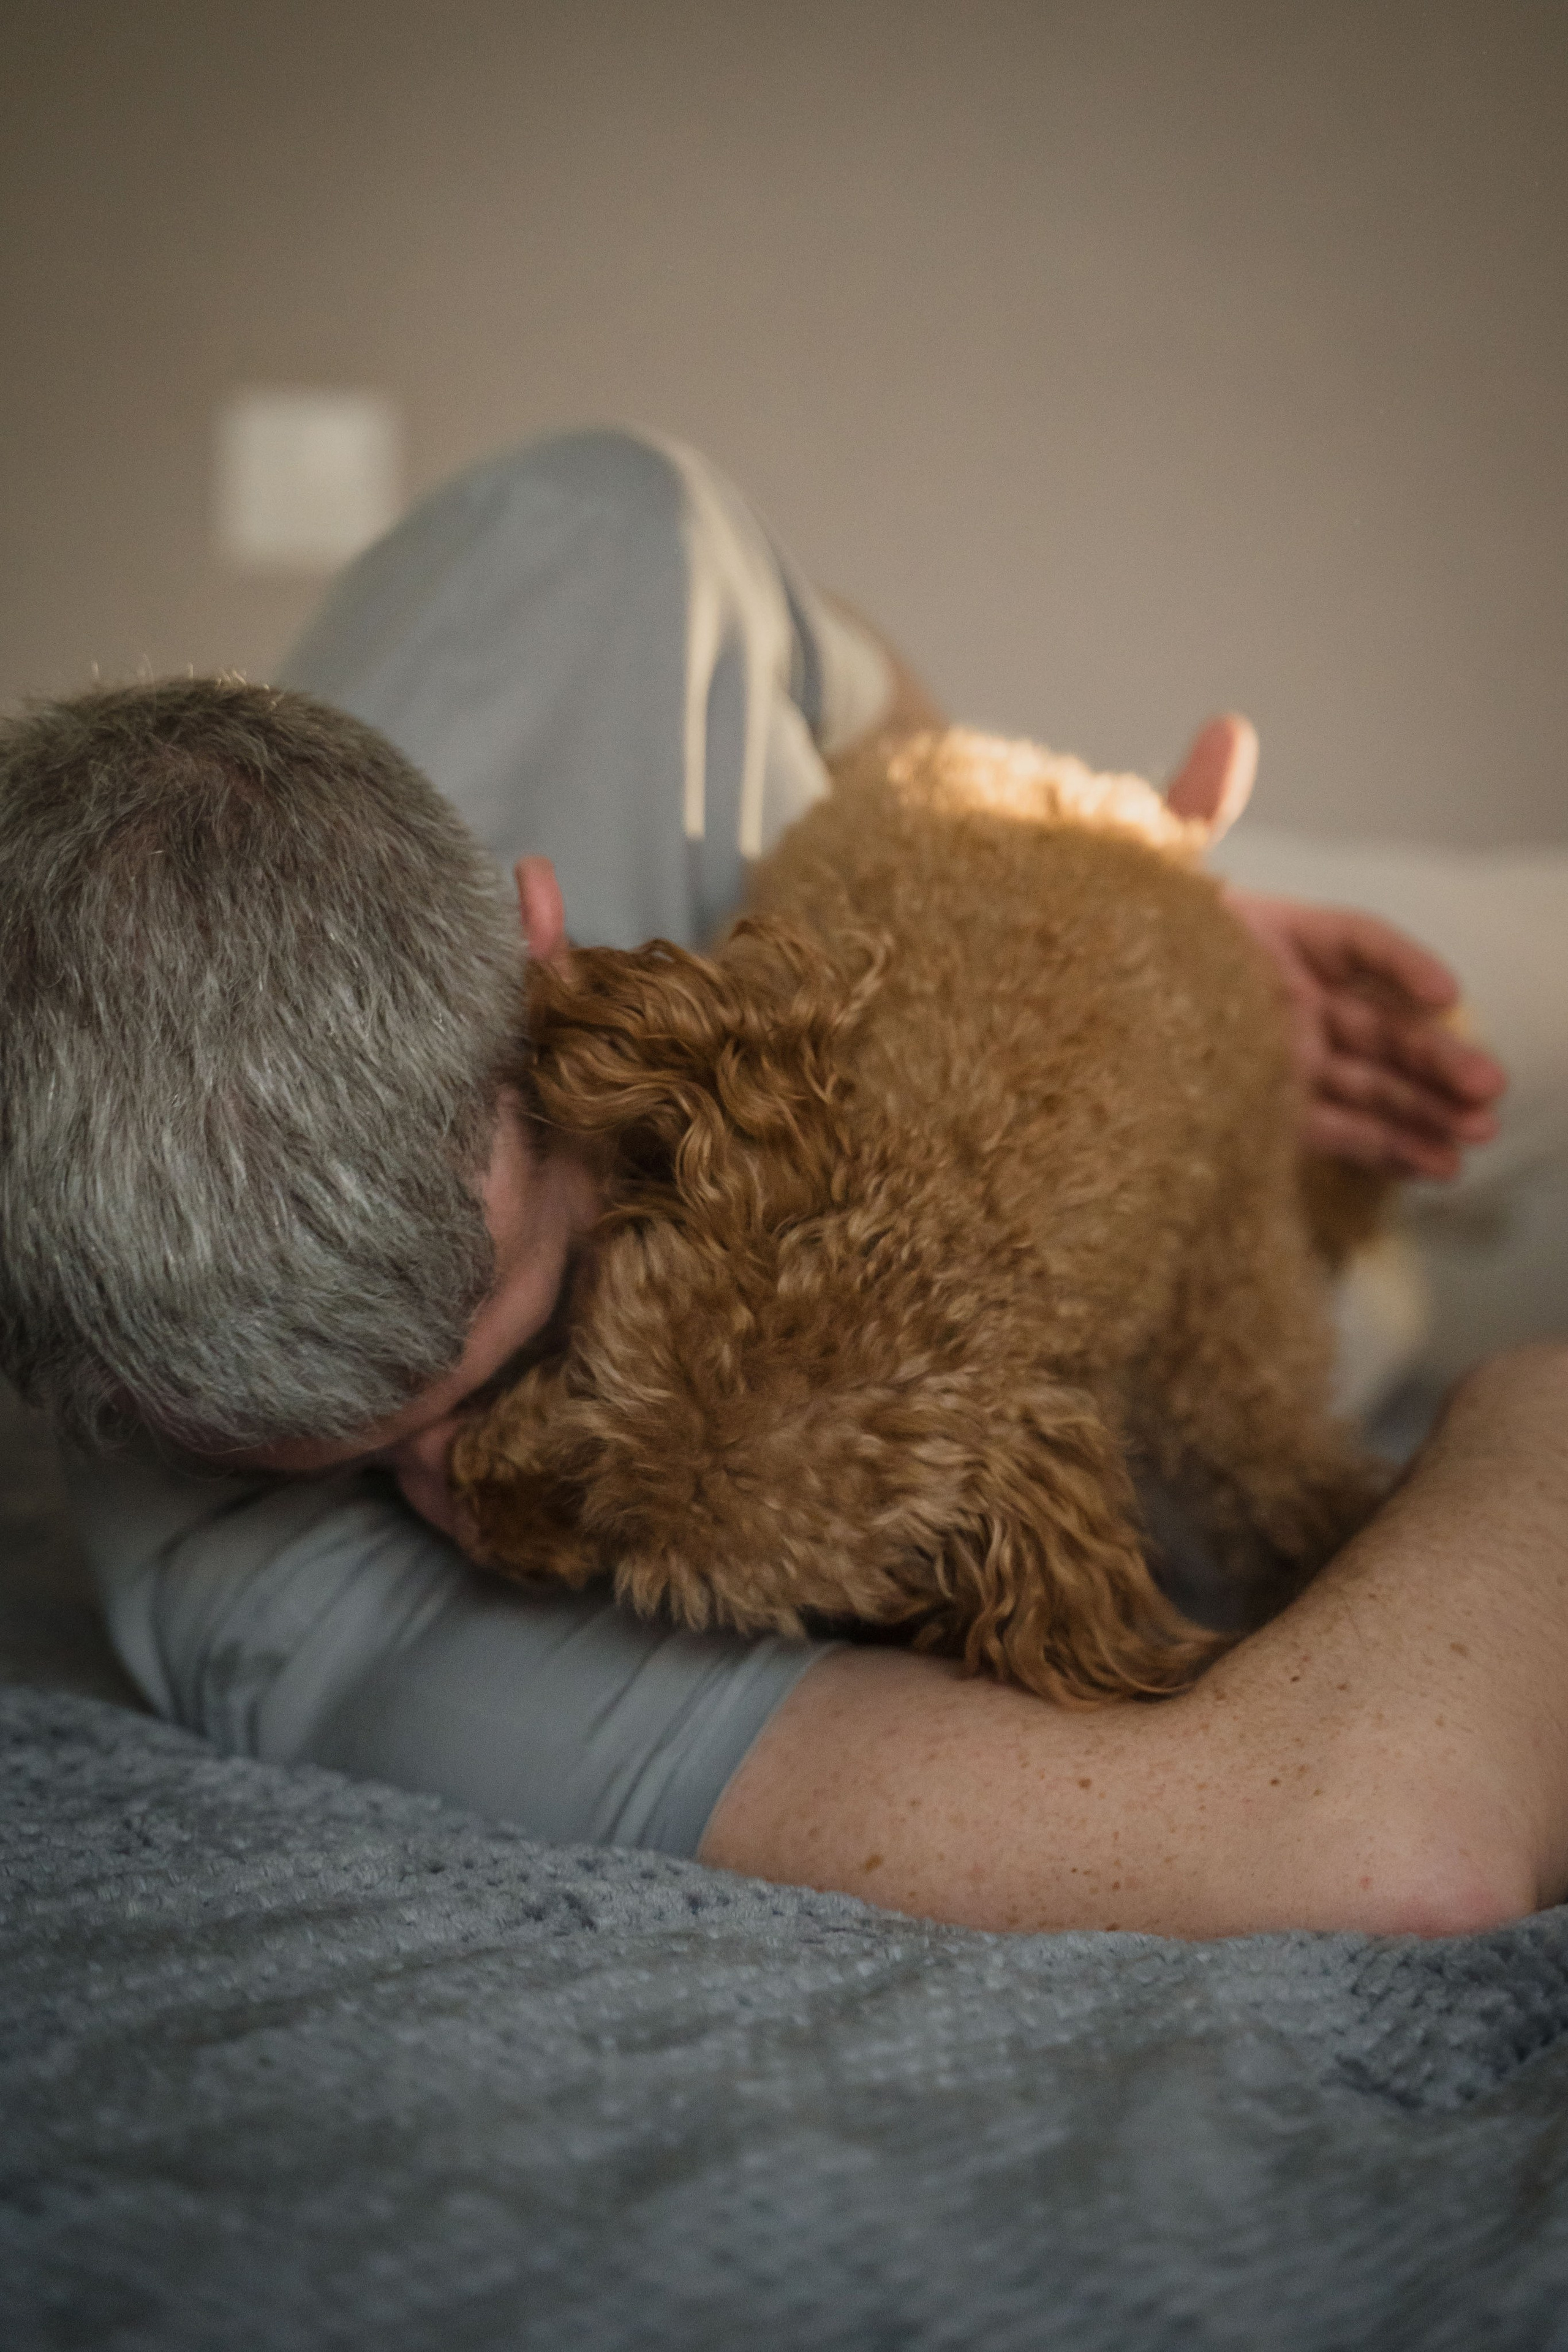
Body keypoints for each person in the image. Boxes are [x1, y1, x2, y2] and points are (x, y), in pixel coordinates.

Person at [3, 428, 1563, 1940]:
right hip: (1159, 1340)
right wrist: (1530, 1397)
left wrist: (1109, 890)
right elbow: (1377, 1847)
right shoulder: (259, 1599)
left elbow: (889, 741)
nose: (460, 1501)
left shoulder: (586, 545)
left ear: (539, 947)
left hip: (1126, 958)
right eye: (355, 1468)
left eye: (514, 1365)